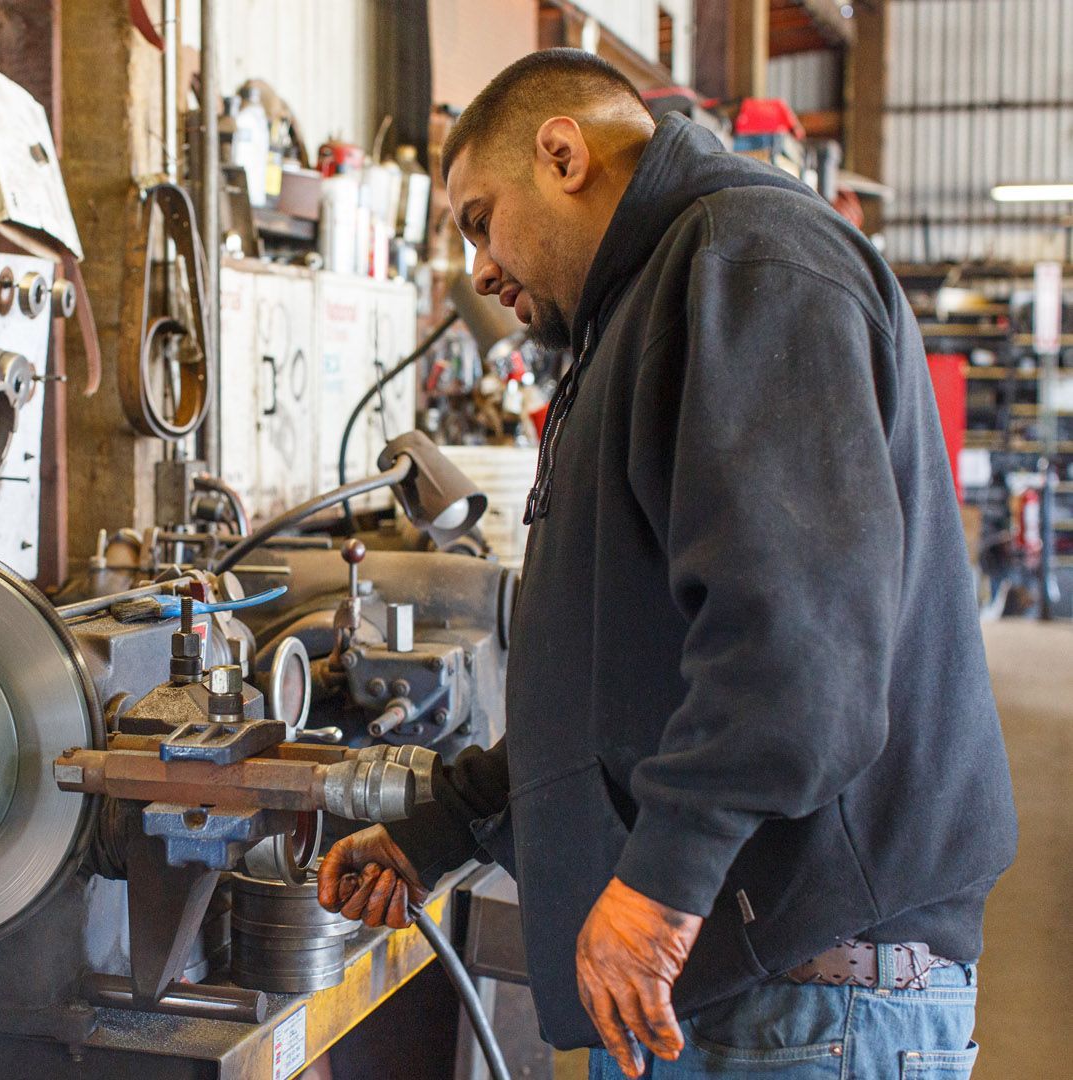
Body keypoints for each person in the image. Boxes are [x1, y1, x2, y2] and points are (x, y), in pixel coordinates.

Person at [318, 49, 1017, 1079]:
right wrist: (446, 826)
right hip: (722, 995)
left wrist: (657, 892)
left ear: (563, 155)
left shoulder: (748, 263)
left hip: (798, 1004)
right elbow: (630, 684)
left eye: (479, 219)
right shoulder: (644, 310)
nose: (479, 269)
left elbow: (797, 647)